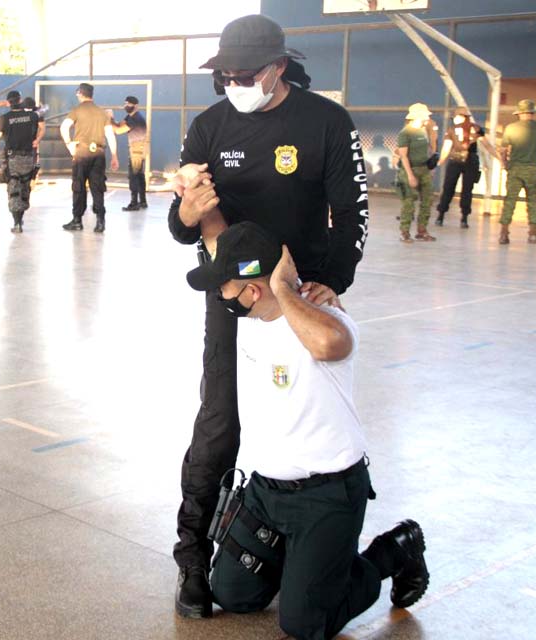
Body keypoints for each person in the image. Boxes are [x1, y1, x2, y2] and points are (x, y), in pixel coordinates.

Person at [167, 14, 369, 619]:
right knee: (219, 423)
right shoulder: (209, 126)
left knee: (307, 421)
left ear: (278, 68)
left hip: (300, 299)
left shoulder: (326, 122)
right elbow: (183, 228)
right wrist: (184, 214)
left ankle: (314, 544)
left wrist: (330, 281)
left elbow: (352, 212)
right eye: (224, 75)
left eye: (245, 74)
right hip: (233, 298)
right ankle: (193, 558)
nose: (233, 83)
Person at [186, 222, 429, 638]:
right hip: (265, 493)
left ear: (254, 290)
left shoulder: (325, 318)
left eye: (223, 286)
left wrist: (285, 289)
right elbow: (218, 241)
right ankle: (310, 569)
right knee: (233, 593)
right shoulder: (251, 316)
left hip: (326, 495)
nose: (218, 295)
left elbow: (333, 344)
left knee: (303, 625)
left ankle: (392, 552)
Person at [59, 82, 118, 233]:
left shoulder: (77, 110)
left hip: (81, 153)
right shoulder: (102, 113)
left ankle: (77, 220)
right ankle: (100, 221)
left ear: (80, 93)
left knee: (78, 187)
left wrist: (69, 144)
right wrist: (114, 155)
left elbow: (64, 127)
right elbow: (110, 135)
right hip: (98, 154)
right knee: (97, 188)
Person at [0, 90, 45, 233]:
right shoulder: (32, 116)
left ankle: (17, 222)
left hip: (12, 159)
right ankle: (20, 217)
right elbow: (41, 123)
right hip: (29, 158)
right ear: (20, 100)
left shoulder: (4, 119)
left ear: (8, 103)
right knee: (25, 188)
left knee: (13, 189)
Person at [498, 99, 536, 245]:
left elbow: (503, 149)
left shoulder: (510, 128)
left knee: (510, 200)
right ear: (532, 112)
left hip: (515, 168)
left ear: (519, 113)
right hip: (534, 168)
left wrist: (505, 164)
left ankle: (504, 233)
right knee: (533, 201)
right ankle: (533, 233)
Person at [435, 107, 495, 228]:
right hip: (471, 161)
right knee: (467, 190)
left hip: (455, 160)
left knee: (448, 187)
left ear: (461, 117)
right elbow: (487, 145)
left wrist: (440, 161)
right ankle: (464, 218)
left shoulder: (451, 130)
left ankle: (441, 215)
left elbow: (447, 148)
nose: (454, 119)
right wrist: (497, 156)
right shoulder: (477, 128)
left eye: (455, 117)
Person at [396, 103, 436, 243]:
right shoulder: (405, 133)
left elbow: (429, 150)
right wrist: (410, 175)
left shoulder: (424, 131)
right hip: (409, 170)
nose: (427, 119)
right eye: (425, 116)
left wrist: (430, 169)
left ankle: (422, 230)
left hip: (424, 169)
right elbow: (404, 156)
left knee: (427, 201)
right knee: (409, 203)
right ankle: (405, 232)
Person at [112, 95, 149, 210]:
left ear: (136, 106)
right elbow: (119, 124)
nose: (126, 106)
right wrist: (113, 121)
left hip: (137, 150)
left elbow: (118, 130)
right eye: (125, 104)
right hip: (138, 149)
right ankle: (142, 201)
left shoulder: (136, 119)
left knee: (133, 177)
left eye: (129, 104)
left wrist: (108, 119)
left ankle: (134, 203)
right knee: (139, 176)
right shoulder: (131, 117)